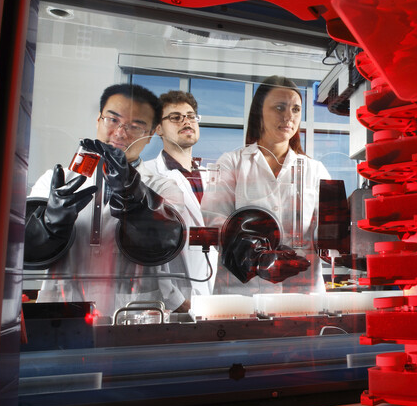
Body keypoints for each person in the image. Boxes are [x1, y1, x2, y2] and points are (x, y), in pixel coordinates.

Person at [24, 83, 192, 317]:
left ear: (152, 133)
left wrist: (133, 197)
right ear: (98, 120)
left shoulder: (163, 187)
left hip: (137, 314)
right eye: (112, 120)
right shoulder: (57, 180)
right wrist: (48, 224)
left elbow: (165, 244)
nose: (121, 133)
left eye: (135, 125)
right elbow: (24, 250)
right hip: (63, 313)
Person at [201, 75, 331, 294]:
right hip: (243, 294)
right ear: (259, 112)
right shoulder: (232, 163)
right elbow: (213, 222)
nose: (289, 116)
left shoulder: (315, 170)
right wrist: (257, 258)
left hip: (301, 293)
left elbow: (330, 234)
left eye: (296, 109)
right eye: (280, 107)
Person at [139, 90, 216, 298]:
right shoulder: (145, 176)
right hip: (173, 299)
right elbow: (141, 247)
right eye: (175, 117)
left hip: (218, 299)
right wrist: (174, 300)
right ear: (158, 129)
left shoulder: (213, 177)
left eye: (191, 116)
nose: (186, 121)